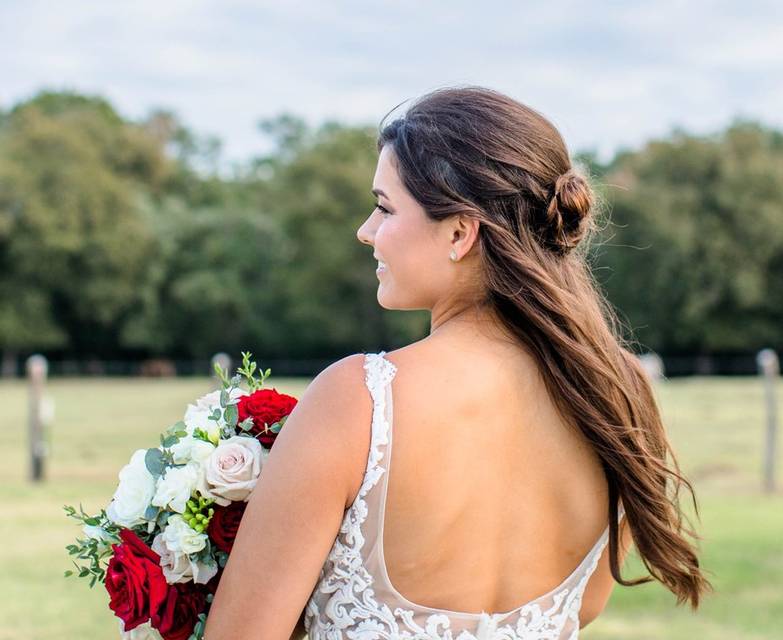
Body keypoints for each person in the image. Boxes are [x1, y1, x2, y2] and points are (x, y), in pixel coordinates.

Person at [203, 86, 711, 640]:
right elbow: (584, 607)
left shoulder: (359, 400)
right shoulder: (621, 391)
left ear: (460, 232)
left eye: (384, 207)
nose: (366, 231)